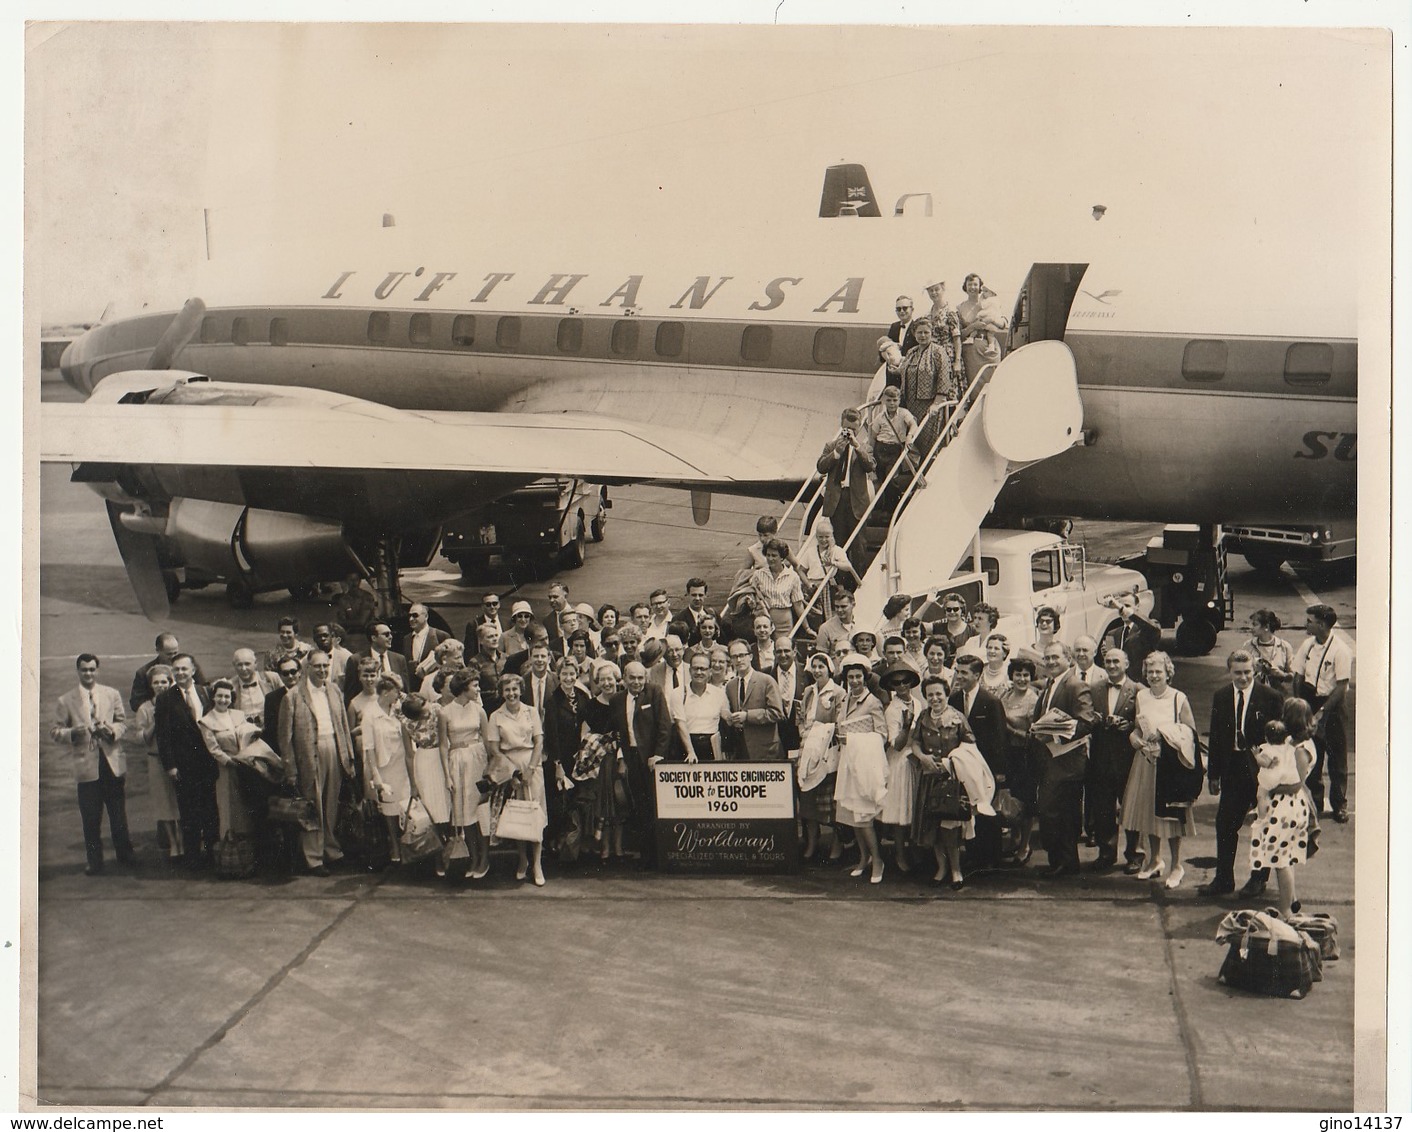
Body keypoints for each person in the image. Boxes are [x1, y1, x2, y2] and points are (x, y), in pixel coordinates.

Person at [1199, 648, 1286, 899]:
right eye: (1238, 673)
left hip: (1261, 771)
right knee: (1225, 824)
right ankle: (1223, 879)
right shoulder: (1222, 696)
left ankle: (1259, 879)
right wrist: (1213, 774)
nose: (1244, 678)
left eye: (1248, 672)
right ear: (1230, 672)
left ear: (1255, 671)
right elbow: (1216, 736)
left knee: (1263, 826)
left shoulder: (1270, 697)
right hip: (1232, 769)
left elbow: (1281, 738)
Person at [1122, 651, 1198, 888]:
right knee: (1149, 814)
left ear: (1168, 674)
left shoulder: (1178, 698)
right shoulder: (1142, 696)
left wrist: (1165, 735)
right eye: (1150, 672)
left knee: (1173, 817)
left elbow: (1191, 732)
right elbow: (1137, 726)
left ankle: (1176, 865)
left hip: (1171, 765)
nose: (1154, 676)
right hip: (1146, 760)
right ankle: (1155, 860)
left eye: (1159, 672)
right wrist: (1133, 738)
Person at [52, 654, 131, 875]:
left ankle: (124, 856)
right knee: (90, 818)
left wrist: (112, 731)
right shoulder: (65, 700)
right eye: (84, 670)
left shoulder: (111, 694)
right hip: (86, 767)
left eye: (92, 669)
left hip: (111, 762)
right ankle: (94, 862)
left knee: (118, 815)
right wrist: (72, 733)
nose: (88, 674)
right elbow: (55, 732)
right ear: (78, 671)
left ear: (98, 670)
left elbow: (123, 722)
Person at [279, 650, 355, 876]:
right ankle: (313, 858)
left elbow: (342, 726)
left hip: (333, 747)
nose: (322, 670)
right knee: (312, 806)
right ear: (307, 668)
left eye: (325, 666)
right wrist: (290, 768)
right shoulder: (293, 696)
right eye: (317, 666)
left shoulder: (333, 690)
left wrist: (348, 758)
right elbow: (285, 738)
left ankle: (331, 849)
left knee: (331, 803)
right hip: (308, 755)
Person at [1031, 641, 1097, 879]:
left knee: (1063, 814)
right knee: (1051, 813)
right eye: (1047, 658)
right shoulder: (1051, 683)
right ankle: (1058, 860)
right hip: (1049, 760)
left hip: (1067, 761)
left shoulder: (1075, 685)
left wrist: (1055, 736)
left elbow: (1087, 722)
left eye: (1055, 658)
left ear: (1068, 659)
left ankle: (1066, 862)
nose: (1050, 662)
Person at [907, 674, 976, 888]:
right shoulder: (923, 717)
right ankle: (941, 867)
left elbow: (970, 744)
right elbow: (915, 742)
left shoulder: (957, 717)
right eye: (930, 695)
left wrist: (953, 760)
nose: (935, 698)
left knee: (950, 829)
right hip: (929, 779)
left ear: (946, 694)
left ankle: (956, 870)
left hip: (950, 780)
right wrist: (922, 757)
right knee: (932, 828)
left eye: (939, 694)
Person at [829, 652, 889, 883]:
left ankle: (878, 861)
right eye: (851, 677)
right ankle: (864, 859)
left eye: (858, 676)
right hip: (848, 763)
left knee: (864, 817)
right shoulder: (844, 700)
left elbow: (882, 735)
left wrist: (854, 740)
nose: (854, 681)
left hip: (865, 765)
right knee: (853, 816)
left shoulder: (872, 702)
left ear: (865, 678)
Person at [155, 654, 219, 870]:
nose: (180, 673)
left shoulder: (205, 692)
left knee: (211, 809)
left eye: (184, 669)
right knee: (189, 812)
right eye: (177, 670)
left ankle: (212, 852)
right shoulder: (165, 699)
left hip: (208, 763)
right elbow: (163, 737)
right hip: (184, 765)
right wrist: (170, 766)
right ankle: (192, 857)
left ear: (193, 670)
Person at [485, 673, 547, 886]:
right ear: (502, 693)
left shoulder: (531, 712)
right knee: (517, 815)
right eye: (507, 690)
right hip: (509, 767)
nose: (511, 694)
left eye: (515, 689)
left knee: (535, 815)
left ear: (521, 690)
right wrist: (511, 774)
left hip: (532, 765)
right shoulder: (496, 716)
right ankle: (522, 860)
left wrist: (530, 769)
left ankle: (537, 864)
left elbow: (539, 742)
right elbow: (494, 748)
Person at [1292, 604, 1352, 822]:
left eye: (1310, 621)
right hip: (1310, 701)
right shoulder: (1307, 645)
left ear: (1322, 624)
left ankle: (1339, 805)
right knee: (1312, 756)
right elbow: (1298, 675)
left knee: (1337, 759)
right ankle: (1313, 803)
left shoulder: (1341, 650)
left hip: (1333, 706)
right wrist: (1301, 703)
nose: (1306, 624)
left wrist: (1323, 712)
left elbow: (1341, 686)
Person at [1249, 720, 1315, 919]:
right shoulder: (1291, 746)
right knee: (1286, 856)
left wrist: (1255, 756)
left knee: (1280, 859)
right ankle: (1291, 899)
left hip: (1282, 806)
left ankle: (1285, 908)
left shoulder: (1293, 750)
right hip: (1293, 807)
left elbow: (1294, 785)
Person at [613, 660, 674, 866]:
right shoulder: (617, 699)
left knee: (656, 805)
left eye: (640, 677)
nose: (637, 682)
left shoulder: (654, 692)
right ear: (624, 678)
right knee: (639, 805)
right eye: (632, 678)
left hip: (652, 760)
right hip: (631, 759)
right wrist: (621, 757)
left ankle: (661, 855)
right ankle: (646, 856)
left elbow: (665, 726)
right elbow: (617, 732)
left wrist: (658, 755)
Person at [1087, 648, 1140, 872]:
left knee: (1131, 808)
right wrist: (1096, 719)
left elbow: (1143, 723)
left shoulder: (1138, 690)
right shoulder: (1095, 689)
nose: (1111, 665)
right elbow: (1087, 717)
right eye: (1108, 662)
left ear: (1126, 664)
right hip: (1101, 758)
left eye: (1116, 661)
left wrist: (1128, 726)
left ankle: (1135, 854)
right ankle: (1106, 852)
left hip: (1128, 759)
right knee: (1103, 808)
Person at [437, 670, 490, 879]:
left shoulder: (479, 710)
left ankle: (484, 858)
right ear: (463, 688)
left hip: (478, 760)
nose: (478, 690)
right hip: (457, 761)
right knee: (464, 813)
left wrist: (488, 770)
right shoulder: (445, 712)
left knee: (481, 812)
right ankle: (473, 857)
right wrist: (447, 775)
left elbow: (487, 741)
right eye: (475, 686)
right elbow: (443, 745)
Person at [578, 661, 632, 864]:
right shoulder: (591, 706)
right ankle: (605, 849)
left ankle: (618, 848)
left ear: (617, 679)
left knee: (620, 805)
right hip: (599, 763)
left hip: (619, 760)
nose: (607, 683)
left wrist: (620, 756)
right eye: (603, 680)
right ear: (597, 683)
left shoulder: (622, 701)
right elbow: (585, 735)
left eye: (610, 678)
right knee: (604, 806)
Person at [128, 664, 182, 860]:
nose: (160, 686)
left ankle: (183, 841)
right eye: (156, 683)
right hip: (156, 759)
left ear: (170, 683)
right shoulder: (145, 708)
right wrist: (156, 719)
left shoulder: (179, 701)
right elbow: (141, 738)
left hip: (179, 759)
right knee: (164, 804)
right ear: (151, 685)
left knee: (180, 800)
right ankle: (173, 843)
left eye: (164, 682)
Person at [362, 676, 415, 866]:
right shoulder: (370, 714)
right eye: (396, 691)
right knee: (390, 809)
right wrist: (375, 774)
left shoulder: (399, 709)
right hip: (385, 767)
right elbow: (368, 748)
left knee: (407, 805)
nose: (399, 694)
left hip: (403, 763)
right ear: (385, 693)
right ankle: (394, 844)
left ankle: (409, 845)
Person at [198, 678, 259, 842]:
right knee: (228, 805)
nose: (223, 700)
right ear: (213, 698)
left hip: (245, 764)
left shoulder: (238, 715)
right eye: (219, 696)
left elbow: (248, 734)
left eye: (226, 696)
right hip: (226, 768)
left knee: (245, 804)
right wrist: (231, 762)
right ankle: (231, 845)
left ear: (231, 698)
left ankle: (248, 844)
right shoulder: (206, 721)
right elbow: (213, 749)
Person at [815, 408, 876, 569]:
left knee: (859, 547)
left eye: (854, 430)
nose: (850, 433)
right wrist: (835, 453)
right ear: (841, 426)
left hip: (856, 501)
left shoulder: (864, 447)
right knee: (838, 547)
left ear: (859, 427)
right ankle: (840, 585)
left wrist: (856, 447)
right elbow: (821, 467)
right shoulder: (831, 445)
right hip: (837, 501)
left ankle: (857, 582)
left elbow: (870, 466)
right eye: (847, 429)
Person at [797, 654, 843, 862]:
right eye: (814, 667)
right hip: (807, 749)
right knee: (808, 798)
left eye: (821, 666)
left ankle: (836, 842)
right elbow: (801, 718)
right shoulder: (808, 691)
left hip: (827, 749)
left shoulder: (838, 692)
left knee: (829, 800)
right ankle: (812, 841)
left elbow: (839, 721)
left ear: (829, 669)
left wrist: (821, 735)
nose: (817, 670)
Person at [878, 662, 922, 873]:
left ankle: (915, 850)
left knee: (914, 810)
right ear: (891, 687)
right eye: (897, 683)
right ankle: (900, 854)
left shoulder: (918, 703)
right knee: (899, 813)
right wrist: (905, 727)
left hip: (916, 759)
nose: (902, 686)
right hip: (899, 762)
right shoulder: (892, 710)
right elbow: (896, 744)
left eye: (905, 681)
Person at [999, 657, 1041, 864]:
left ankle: (1025, 845)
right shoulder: (1005, 696)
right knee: (1010, 800)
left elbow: (1033, 735)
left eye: (1025, 675)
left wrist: (1010, 730)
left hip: (1025, 756)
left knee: (1025, 803)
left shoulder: (1034, 700)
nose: (1022, 679)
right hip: (1008, 755)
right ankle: (1015, 838)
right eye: (1018, 674)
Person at [724, 640, 785, 761]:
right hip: (740, 749)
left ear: (750, 657)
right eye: (734, 657)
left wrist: (747, 716)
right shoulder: (730, 686)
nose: (739, 660)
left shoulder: (766, 681)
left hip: (765, 750)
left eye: (742, 655)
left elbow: (777, 713)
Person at [863, 384, 924, 499]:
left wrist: (909, 436)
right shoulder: (880, 417)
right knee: (880, 477)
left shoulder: (903, 413)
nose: (892, 403)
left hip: (894, 450)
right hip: (880, 449)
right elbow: (873, 438)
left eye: (895, 400)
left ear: (899, 400)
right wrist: (870, 454)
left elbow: (913, 424)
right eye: (889, 400)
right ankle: (883, 505)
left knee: (890, 477)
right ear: (884, 401)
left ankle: (893, 503)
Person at [795, 519, 860, 623]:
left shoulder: (837, 551)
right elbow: (800, 570)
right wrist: (807, 583)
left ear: (832, 536)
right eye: (820, 537)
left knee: (829, 614)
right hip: (813, 586)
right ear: (816, 536)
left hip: (827, 586)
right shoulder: (810, 551)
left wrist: (833, 563)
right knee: (813, 613)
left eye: (827, 536)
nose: (823, 539)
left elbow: (848, 566)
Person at [670, 653, 730, 763]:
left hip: (712, 746)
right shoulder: (678, 693)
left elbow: (727, 718)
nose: (699, 672)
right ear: (690, 670)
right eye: (695, 668)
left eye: (703, 669)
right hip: (685, 746)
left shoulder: (719, 694)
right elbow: (680, 725)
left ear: (709, 671)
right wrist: (690, 752)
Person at [131, 633, 205, 712]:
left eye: (175, 653)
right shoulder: (144, 672)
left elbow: (203, 689)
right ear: (158, 651)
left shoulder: (189, 665)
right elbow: (136, 703)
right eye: (169, 654)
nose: (173, 657)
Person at [342, 622, 411, 702]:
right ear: (374, 638)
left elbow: (406, 690)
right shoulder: (356, 660)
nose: (391, 637)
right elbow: (350, 695)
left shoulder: (399, 659)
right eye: (386, 634)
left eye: (391, 634)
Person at [749, 539, 806, 634]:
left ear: (782, 557)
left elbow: (798, 605)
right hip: (763, 622)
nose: (770, 558)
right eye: (768, 555)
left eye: (774, 555)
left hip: (784, 623)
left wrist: (807, 628)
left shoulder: (792, 576)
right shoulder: (758, 575)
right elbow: (752, 595)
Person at [1102, 593, 1161, 681]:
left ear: (1137, 607)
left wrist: (1121, 607)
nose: (1122, 610)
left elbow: (1153, 628)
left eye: (1127, 606)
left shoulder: (1147, 628)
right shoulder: (1112, 633)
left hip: (1141, 683)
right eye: (1120, 606)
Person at [958, 273, 1008, 361]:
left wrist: (992, 319)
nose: (972, 287)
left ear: (980, 287)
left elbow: (1003, 323)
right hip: (971, 351)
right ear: (965, 287)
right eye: (969, 284)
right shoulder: (960, 307)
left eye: (975, 284)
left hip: (990, 350)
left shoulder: (991, 302)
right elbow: (960, 334)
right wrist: (973, 326)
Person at [1245, 609, 1296, 696]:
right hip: (1253, 694)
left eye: (1255, 624)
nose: (1251, 627)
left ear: (1266, 627)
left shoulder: (1284, 647)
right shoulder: (1248, 645)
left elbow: (1293, 675)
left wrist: (1281, 675)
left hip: (1278, 694)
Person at [402, 603, 451, 680]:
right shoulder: (406, 639)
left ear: (426, 616)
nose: (411, 619)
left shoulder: (440, 636)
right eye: (409, 616)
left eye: (415, 615)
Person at [230, 649, 276, 726]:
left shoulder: (271, 678)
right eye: (239, 665)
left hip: (269, 729)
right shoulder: (230, 686)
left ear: (255, 664)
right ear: (234, 665)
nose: (243, 668)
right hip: (243, 731)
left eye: (247, 664)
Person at [815, 589, 862, 659]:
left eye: (843, 606)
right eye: (837, 606)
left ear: (853, 605)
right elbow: (822, 657)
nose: (839, 610)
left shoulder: (861, 625)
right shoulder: (825, 628)